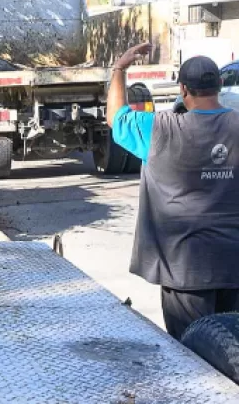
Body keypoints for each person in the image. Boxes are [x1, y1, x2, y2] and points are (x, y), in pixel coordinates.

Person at [107, 43, 239, 341]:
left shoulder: (159, 129)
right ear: (219, 85)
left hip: (185, 271)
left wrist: (119, 69)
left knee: (194, 354)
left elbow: (116, 118)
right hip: (235, 263)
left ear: (183, 89)